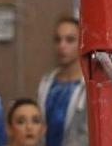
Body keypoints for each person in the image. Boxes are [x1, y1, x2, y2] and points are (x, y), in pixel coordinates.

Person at [36, 17, 87, 146]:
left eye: (70, 40)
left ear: (82, 43)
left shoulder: (88, 86)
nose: (62, 46)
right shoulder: (47, 82)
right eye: (58, 40)